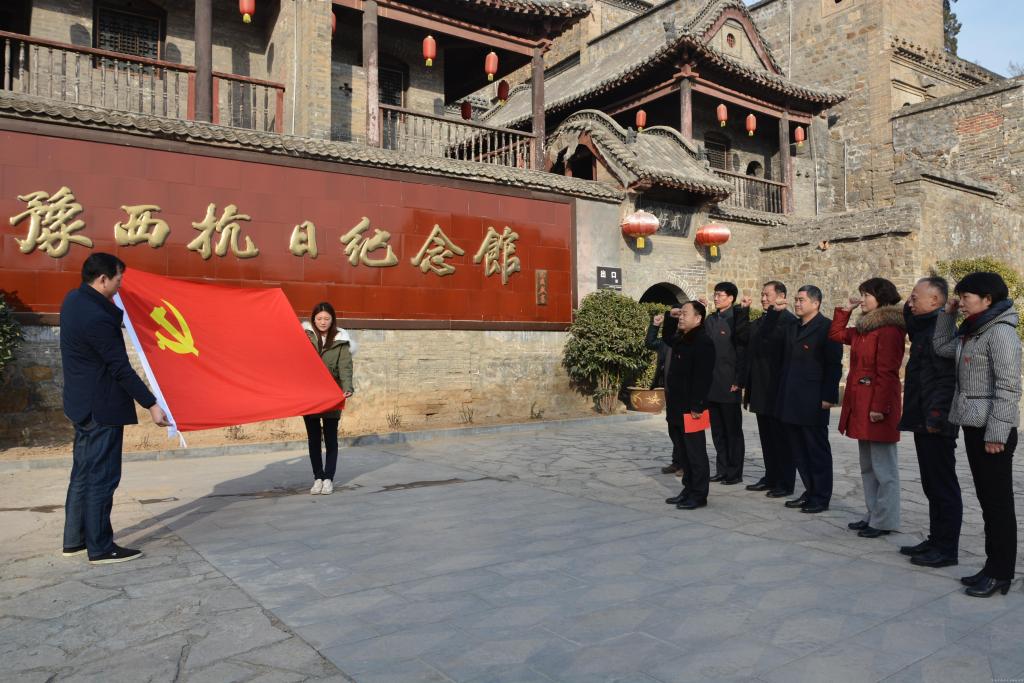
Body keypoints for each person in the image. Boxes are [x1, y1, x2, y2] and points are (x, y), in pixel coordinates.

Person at [60, 253, 169, 565]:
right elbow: (120, 368)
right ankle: (100, 547)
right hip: (101, 408)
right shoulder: (99, 317)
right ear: (103, 279)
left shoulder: (73, 300)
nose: (121, 286)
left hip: (80, 404)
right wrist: (151, 404)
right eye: (119, 280)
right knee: (102, 477)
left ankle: (74, 540)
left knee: (82, 472)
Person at [934, 272, 1020, 597]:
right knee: (987, 502)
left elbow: (1009, 387)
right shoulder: (973, 331)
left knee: (998, 505)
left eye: (966, 296)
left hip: (992, 431)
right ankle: (991, 566)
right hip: (974, 425)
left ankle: (1001, 574)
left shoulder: (1000, 333)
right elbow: (942, 347)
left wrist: (997, 434)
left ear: (987, 299)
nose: (962, 301)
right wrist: (947, 315)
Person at [829, 278, 907, 538]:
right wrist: (846, 310)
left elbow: (888, 373)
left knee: (884, 468)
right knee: (868, 466)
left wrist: (880, 407)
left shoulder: (890, 330)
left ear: (881, 297)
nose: (862, 299)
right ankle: (873, 514)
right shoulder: (865, 328)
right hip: (862, 404)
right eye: (861, 294)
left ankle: (885, 520)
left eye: (866, 295)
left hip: (877, 406)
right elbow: (836, 334)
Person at [761, 285, 842, 514]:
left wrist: (829, 396)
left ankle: (821, 496)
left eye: (801, 300)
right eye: (796, 299)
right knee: (798, 450)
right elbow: (766, 339)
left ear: (816, 303)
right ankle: (810, 490)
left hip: (813, 399)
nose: (797, 303)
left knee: (815, 450)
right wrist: (774, 313)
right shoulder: (792, 326)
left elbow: (834, 365)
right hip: (790, 397)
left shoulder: (826, 328)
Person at [899, 277, 961, 568]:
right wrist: (909, 304)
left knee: (942, 485)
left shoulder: (941, 329)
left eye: (916, 297)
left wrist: (936, 418)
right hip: (922, 417)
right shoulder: (924, 326)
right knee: (931, 485)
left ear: (935, 300)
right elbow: (910, 320)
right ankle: (936, 539)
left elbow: (947, 380)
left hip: (936, 421)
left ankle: (947, 548)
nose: (910, 302)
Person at [741, 281, 797, 498]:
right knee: (767, 438)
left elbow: (776, 345)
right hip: (760, 387)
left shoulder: (789, 322)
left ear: (781, 296)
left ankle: (785, 482)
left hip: (778, 389)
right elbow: (748, 340)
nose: (763, 299)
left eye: (767, 295)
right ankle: (771, 476)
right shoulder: (762, 320)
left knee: (781, 439)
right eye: (762, 295)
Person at [658, 302, 716, 510]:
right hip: (677, 405)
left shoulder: (703, 342)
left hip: (692, 408)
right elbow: (667, 338)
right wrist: (669, 315)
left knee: (695, 452)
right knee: (683, 452)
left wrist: (697, 406)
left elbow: (704, 377)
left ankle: (699, 494)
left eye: (685, 314)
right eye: (680, 313)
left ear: (698, 318)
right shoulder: (683, 338)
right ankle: (688, 489)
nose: (681, 317)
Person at [302, 302, 355, 495]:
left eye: (326, 318)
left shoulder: (341, 340)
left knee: (331, 438)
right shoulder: (304, 337)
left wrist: (347, 387)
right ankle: (318, 477)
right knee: (314, 439)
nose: (323, 322)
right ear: (313, 319)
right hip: (309, 395)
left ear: (332, 320)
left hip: (333, 394)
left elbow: (345, 367)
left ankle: (328, 479)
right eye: (319, 318)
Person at [703, 282, 750, 485]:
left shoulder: (737, 318)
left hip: (729, 383)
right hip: (711, 383)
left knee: (732, 431)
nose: (716, 298)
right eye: (715, 294)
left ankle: (734, 472)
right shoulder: (710, 319)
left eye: (720, 295)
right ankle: (721, 469)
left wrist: (739, 380)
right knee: (717, 431)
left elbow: (742, 351)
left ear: (731, 298)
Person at [645, 308, 683, 475]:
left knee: (684, 429)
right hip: (669, 390)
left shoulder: (689, 340)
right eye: (675, 315)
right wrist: (655, 325)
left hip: (684, 391)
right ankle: (677, 461)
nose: (678, 319)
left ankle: (685, 464)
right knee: (672, 427)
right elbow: (650, 343)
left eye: (681, 315)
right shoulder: (667, 341)